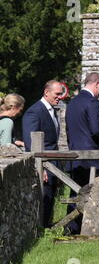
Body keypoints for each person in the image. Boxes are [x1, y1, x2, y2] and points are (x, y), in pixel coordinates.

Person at [65, 72, 99, 234]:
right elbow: (97, 131)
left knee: (76, 192)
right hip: (94, 158)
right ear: (97, 84)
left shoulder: (72, 103)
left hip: (75, 156)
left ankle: (71, 227)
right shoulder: (92, 101)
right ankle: (98, 228)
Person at [22, 80, 63, 228]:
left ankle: (47, 227)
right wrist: (41, 167)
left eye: (61, 94)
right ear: (46, 92)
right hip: (44, 165)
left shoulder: (51, 110)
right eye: (57, 94)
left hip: (52, 163)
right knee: (43, 198)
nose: (60, 97)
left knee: (50, 197)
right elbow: (30, 142)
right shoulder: (35, 111)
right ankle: (41, 230)